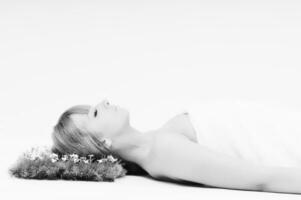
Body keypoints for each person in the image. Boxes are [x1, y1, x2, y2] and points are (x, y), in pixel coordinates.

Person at [52, 98, 301, 194]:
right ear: (102, 144)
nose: (103, 102)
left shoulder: (159, 140)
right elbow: (260, 179)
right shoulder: (163, 152)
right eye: (95, 113)